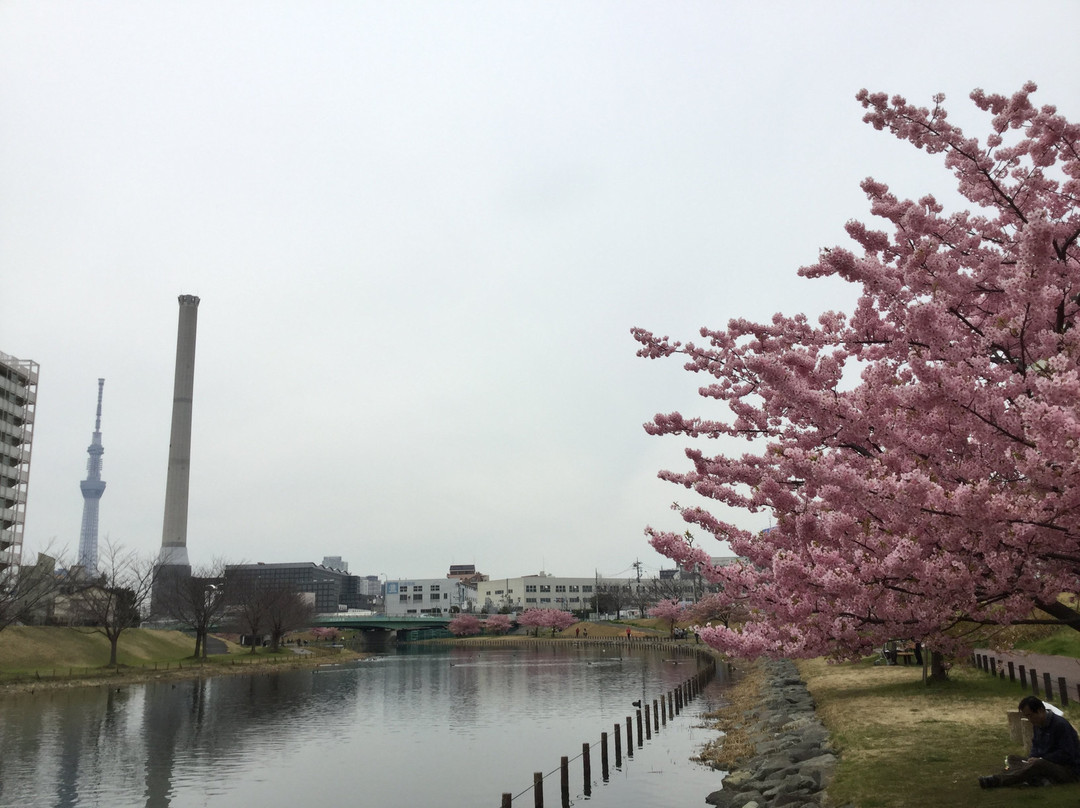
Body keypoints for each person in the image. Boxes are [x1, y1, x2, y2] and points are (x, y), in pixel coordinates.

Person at [979, 696, 1080, 788]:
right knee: (1012, 758)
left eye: (1030, 715)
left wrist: (1042, 759)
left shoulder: (1060, 725)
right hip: (1043, 762)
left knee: (1038, 764)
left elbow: (1067, 754)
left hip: (1067, 770)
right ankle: (1036, 778)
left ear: (1040, 711)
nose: (1029, 719)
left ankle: (998, 780)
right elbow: (1035, 745)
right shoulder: (1037, 725)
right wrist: (1032, 757)